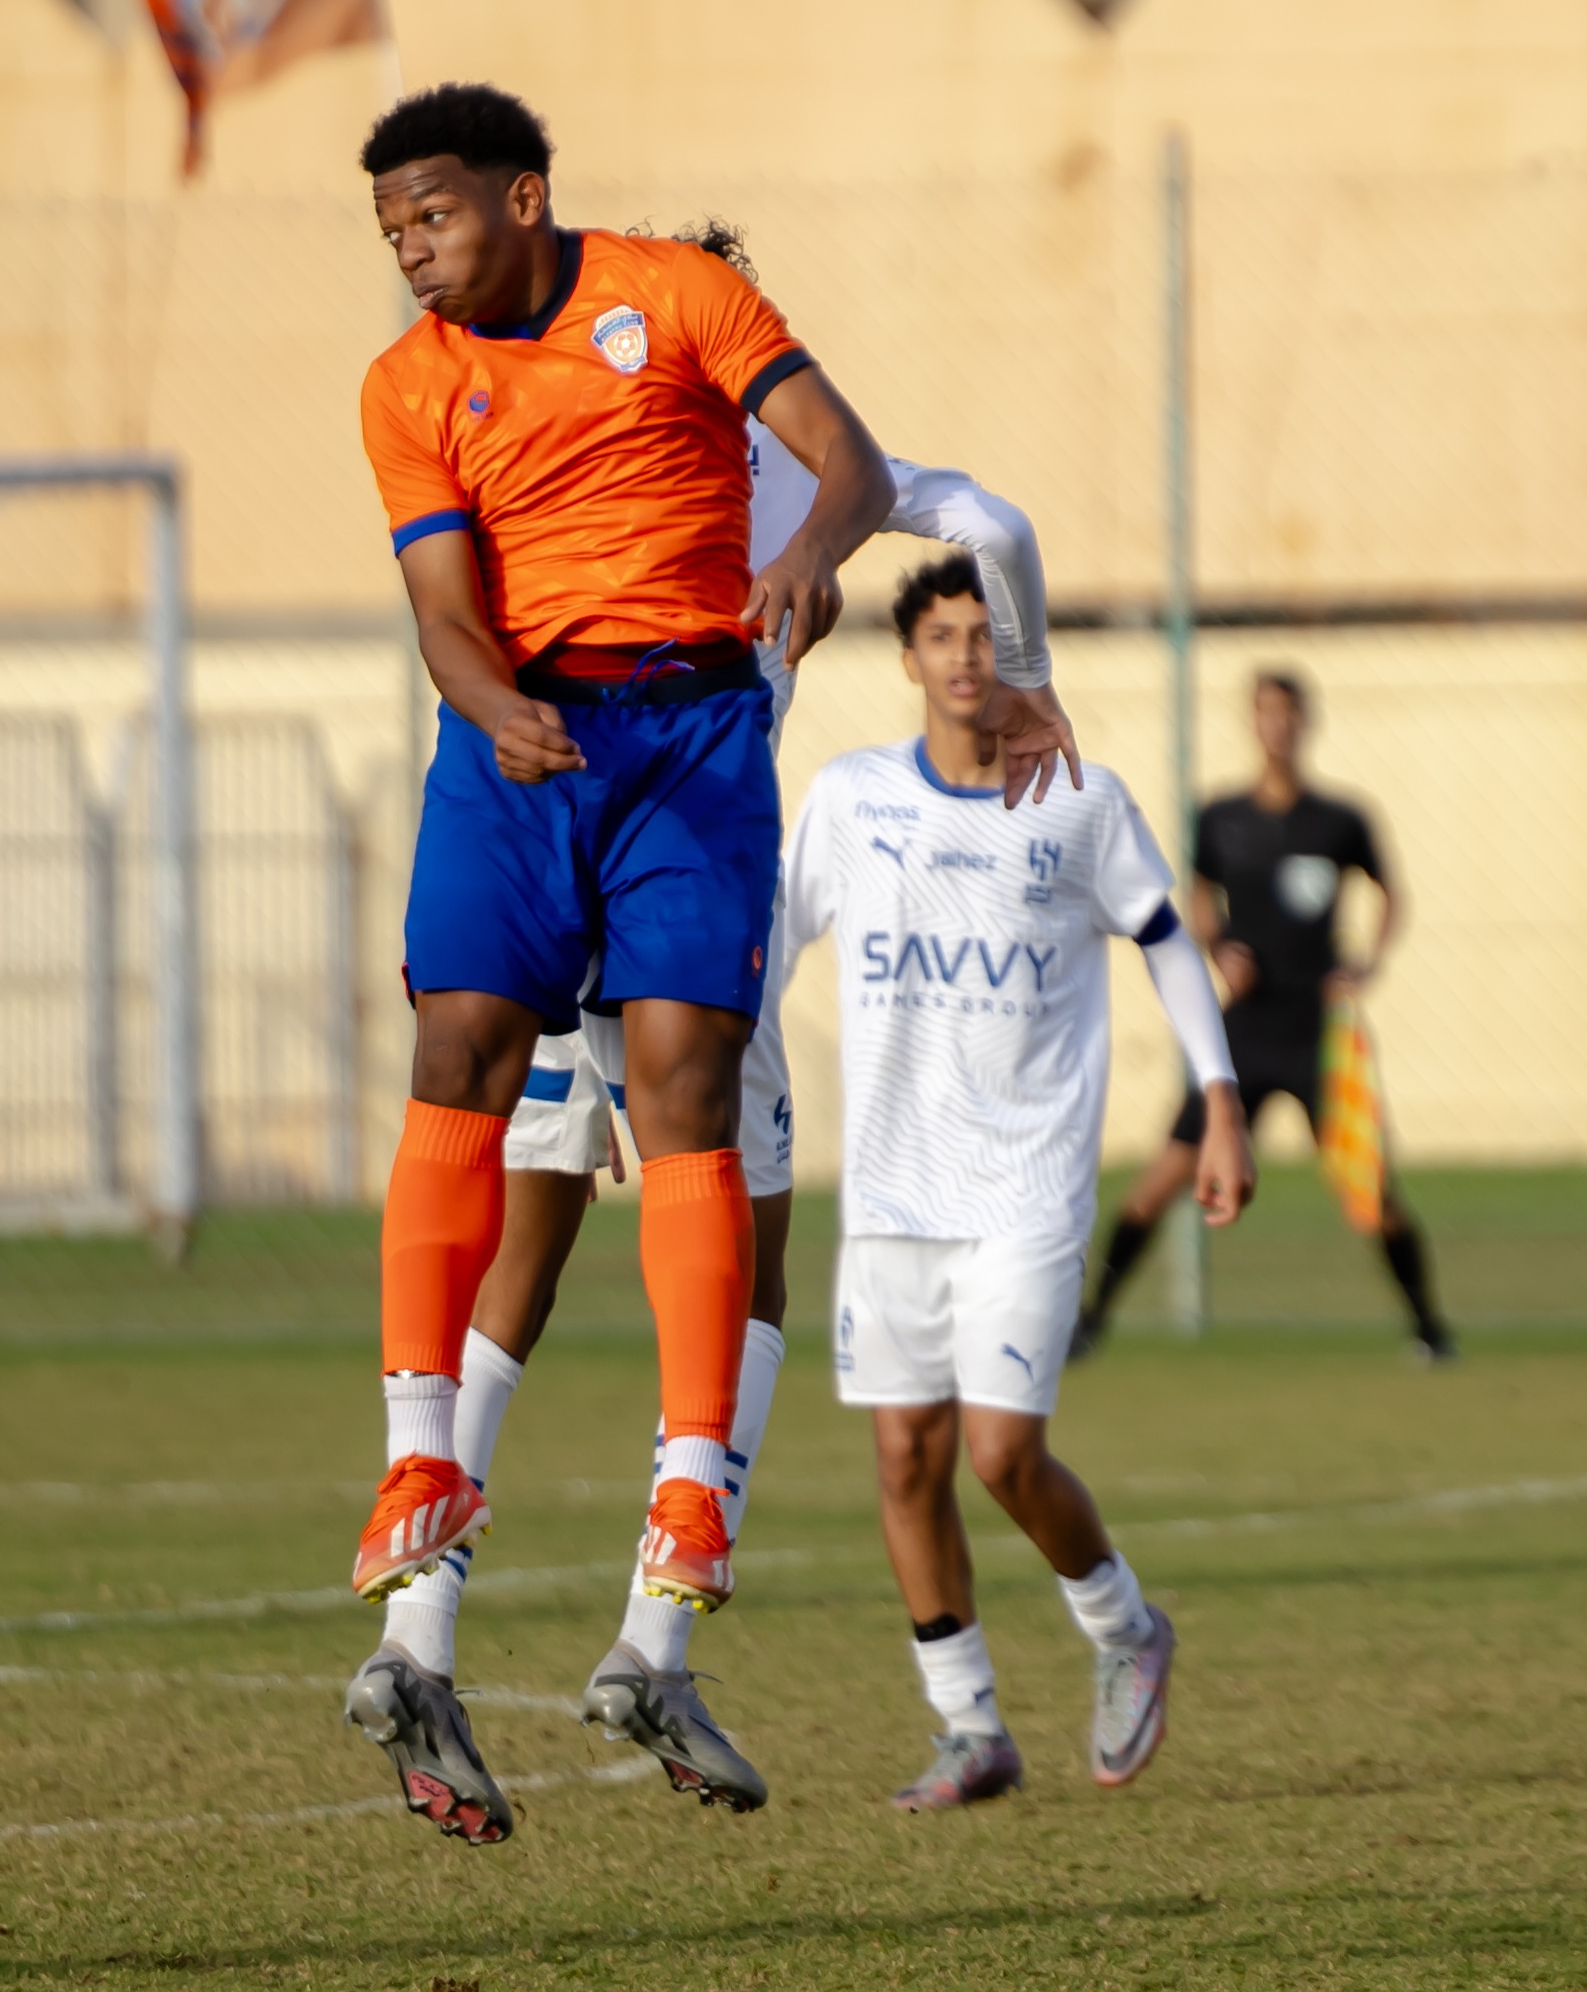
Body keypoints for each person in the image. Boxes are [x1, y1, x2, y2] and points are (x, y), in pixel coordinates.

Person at [338, 91, 1068, 1845]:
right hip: (650, 839)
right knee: (738, 1230)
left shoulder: (679, 385)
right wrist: (1025, 666)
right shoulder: (682, 409)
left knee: (529, 1230)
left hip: (631, 824)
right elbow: (996, 519)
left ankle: (419, 1632)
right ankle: (652, 1629)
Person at [783, 557, 1251, 1808]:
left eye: (990, 634)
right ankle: (968, 1724)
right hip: (890, 1192)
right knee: (902, 1460)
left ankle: (1124, 1628)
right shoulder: (850, 798)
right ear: (909, 657)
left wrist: (1219, 1101)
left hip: (1026, 1189)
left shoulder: (1079, 802)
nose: (968, 656)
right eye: (944, 634)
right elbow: (765, 952)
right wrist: (702, 1089)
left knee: (998, 1452)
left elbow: (1166, 941)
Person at [1074, 667, 1453, 1360]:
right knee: (1162, 1180)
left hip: (1318, 1034)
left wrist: (1367, 962)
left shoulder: (1340, 820)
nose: (1277, 725)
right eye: (1265, 713)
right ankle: (1091, 1320)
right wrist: (1218, 944)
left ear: (1306, 722)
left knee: (1369, 1194)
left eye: (1288, 713)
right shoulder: (1222, 817)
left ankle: (1430, 1328)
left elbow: (1390, 894)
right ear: (1252, 723)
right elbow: (1195, 896)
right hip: (1240, 1035)